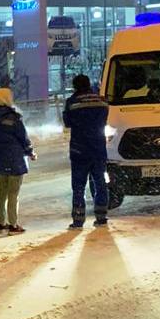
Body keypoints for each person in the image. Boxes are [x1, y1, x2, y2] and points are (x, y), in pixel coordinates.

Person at [0, 87, 35, 235]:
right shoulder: (13, 117)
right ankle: (13, 225)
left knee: (2, 191)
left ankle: (1, 224)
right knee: (14, 192)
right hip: (15, 157)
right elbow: (23, 137)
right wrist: (30, 152)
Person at [62, 74, 110, 228]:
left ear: (75, 86)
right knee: (100, 183)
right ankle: (101, 216)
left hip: (79, 149)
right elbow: (103, 120)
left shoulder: (72, 102)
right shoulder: (102, 101)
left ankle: (78, 219)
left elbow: (68, 123)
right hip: (98, 148)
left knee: (78, 186)